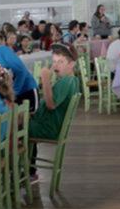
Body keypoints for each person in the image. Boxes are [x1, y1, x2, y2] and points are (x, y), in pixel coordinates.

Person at [28, 44, 81, 174]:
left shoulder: (66, 81)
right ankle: (27, 170)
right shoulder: (72, 80)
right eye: (54, 62)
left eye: (61, 62)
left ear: (72, 64)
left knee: (10, 129)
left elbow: (51, 105)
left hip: (48, 128)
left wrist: (45, 80)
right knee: (18, 122)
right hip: (50, 125)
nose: (56, 66)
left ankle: (19, 170)